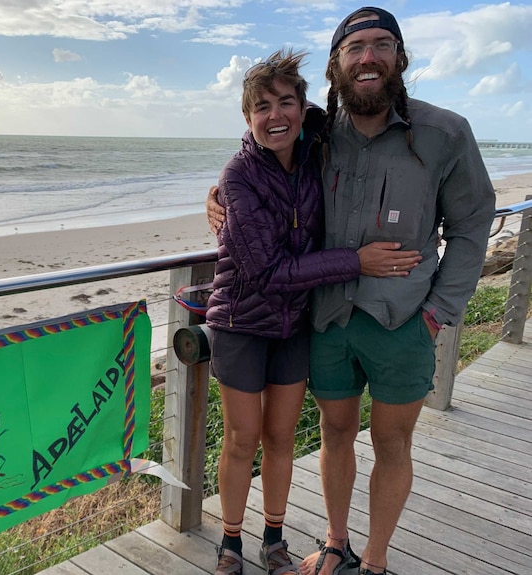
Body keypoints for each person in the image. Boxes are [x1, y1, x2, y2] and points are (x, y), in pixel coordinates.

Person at [206, 7, 496, 575]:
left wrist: (439, 312)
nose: (368, 57)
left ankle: (376, 559)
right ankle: (335, 543)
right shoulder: (320, 131)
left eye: (381, 45)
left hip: (406, 319)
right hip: (327, 318)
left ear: (400, 57)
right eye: (354, 47)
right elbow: (261, 145)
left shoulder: (444, 132)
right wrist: (217, 192)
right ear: (338, 65)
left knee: (393, 443)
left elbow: (472, 225)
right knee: (335, 433)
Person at [206, 47, 421, 575]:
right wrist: (355, 262)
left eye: (285, 103)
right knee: (240, 438)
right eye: (261, 107)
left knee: (281, 437)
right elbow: (266, 272)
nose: (274, 115)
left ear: (303, 109)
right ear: (246, 116)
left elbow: (361, 102)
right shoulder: (239, 176)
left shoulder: (314, 148)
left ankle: (273, 539)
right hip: (240, 321)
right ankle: (231, 542)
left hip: (295, 322)